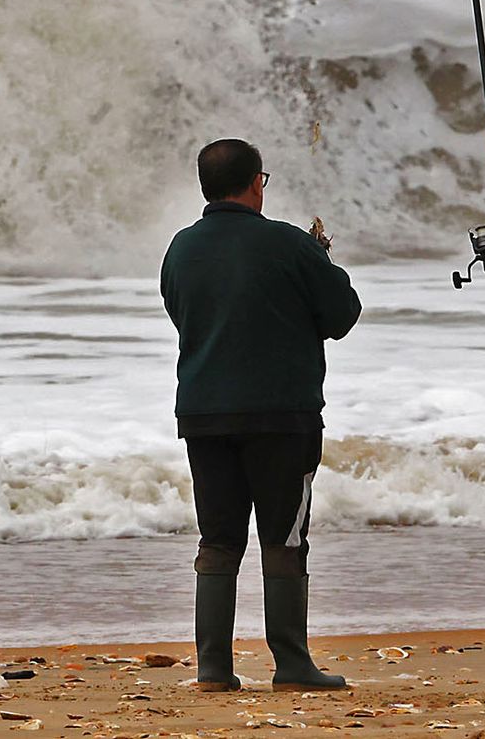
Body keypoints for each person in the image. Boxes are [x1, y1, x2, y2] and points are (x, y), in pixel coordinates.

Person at [160, 137, 361, 692]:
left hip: (204, 414)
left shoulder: (180, 248)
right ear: (256, 184)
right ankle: (292, 664)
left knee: (218, 539)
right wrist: (323, 260)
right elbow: (342, 315)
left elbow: (185, 313)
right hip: (282, 417)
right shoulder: (289, 244)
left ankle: (213, 669)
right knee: (285, 537)